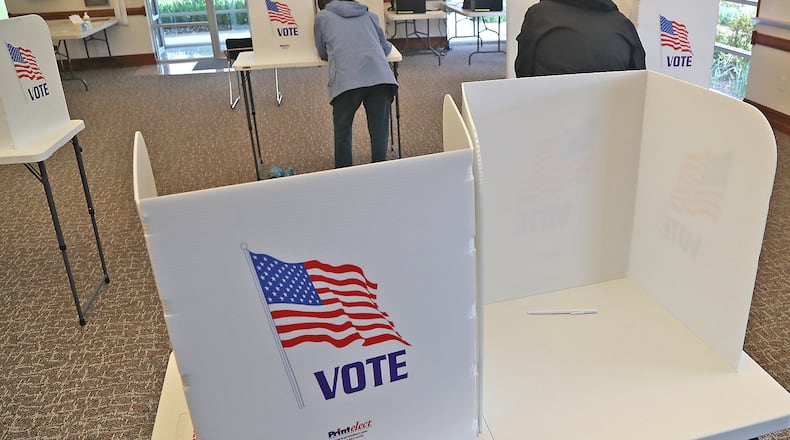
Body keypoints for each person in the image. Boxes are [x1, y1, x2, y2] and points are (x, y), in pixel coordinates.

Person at [314, 0, 397, 168]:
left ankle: (345, 178)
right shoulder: (369, 15)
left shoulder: (322, 17)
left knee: (343, 132)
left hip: (346, 81)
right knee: (379, 132)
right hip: (380, 77)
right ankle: (379, 171)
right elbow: (385, 48)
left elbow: (322, 52)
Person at [514, 0, 646, 78]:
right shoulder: (623, 25)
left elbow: (523, 74)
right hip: (611, 119)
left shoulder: (539, 16)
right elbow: (640, 80)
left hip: (548, 115)